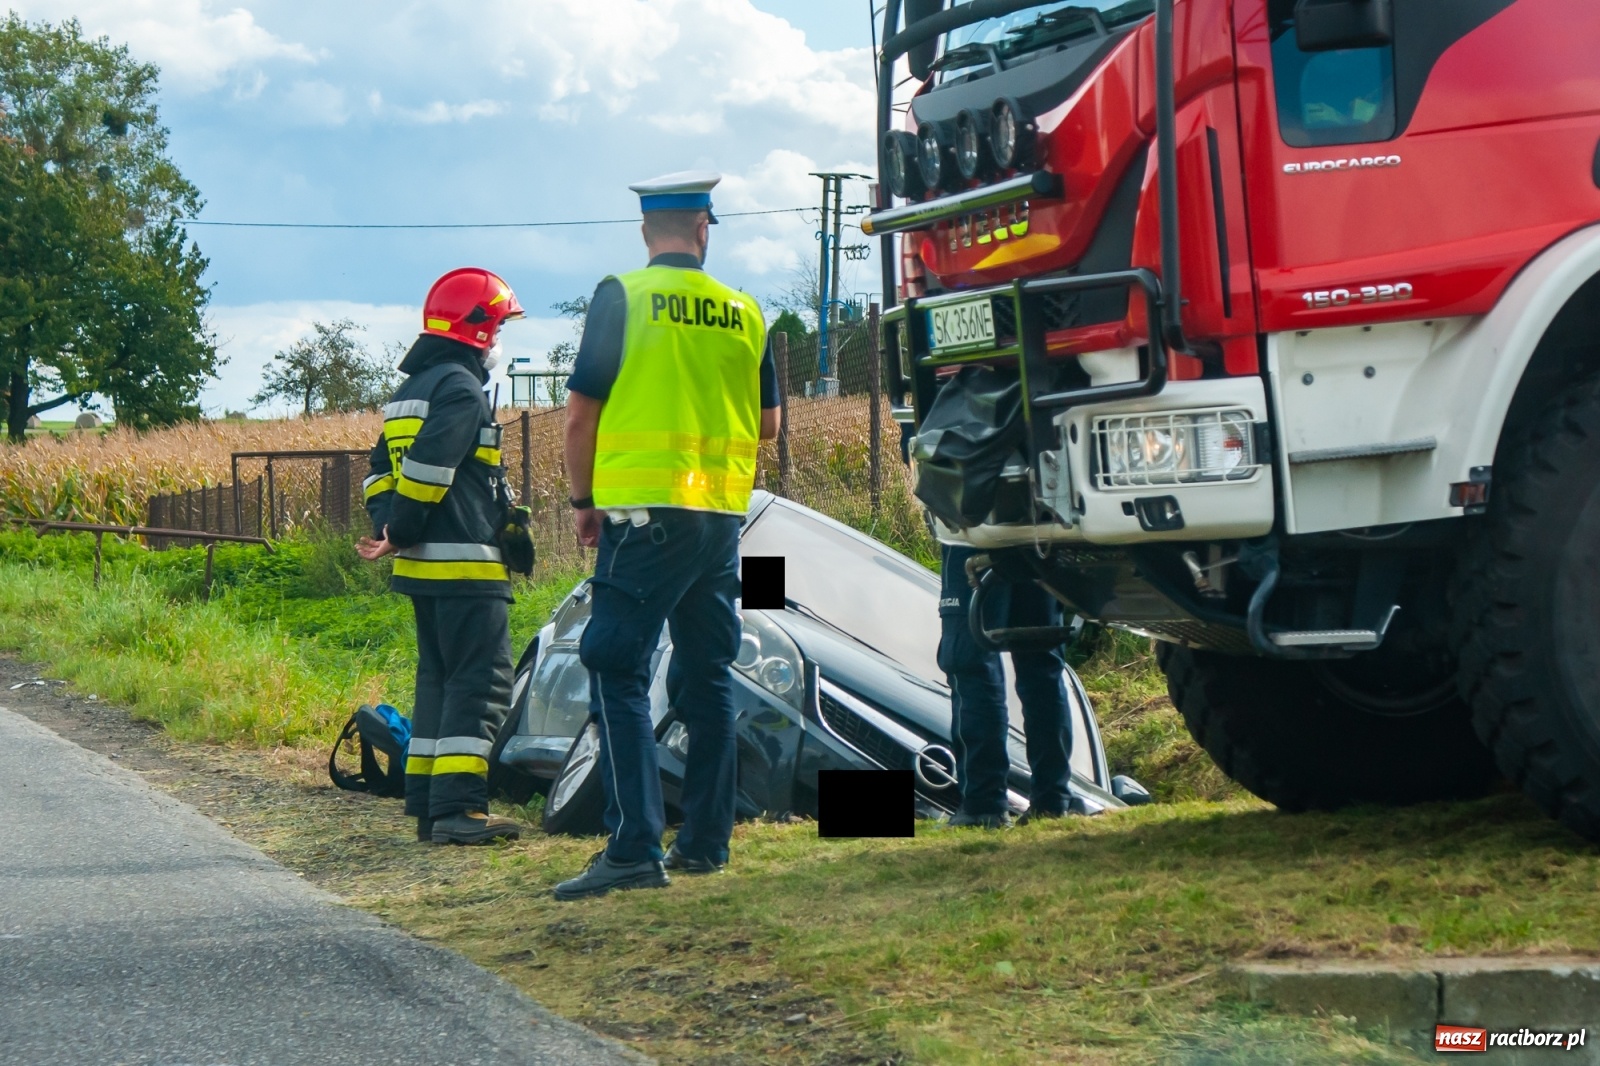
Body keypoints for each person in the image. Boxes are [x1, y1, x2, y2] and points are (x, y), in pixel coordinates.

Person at [553, 171, 781, 901]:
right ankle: (707, 844)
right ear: (704, 229)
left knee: (615, 664)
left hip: (643, 516)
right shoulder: (745, 311)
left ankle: (632, 849)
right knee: (707, 671)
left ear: (648, 233)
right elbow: (770, 425)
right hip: (718, 520)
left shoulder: (623, 296)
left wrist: (583, 501)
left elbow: (580, 414)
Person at [357, 267, 525, 846]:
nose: (501, 340)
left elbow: (379, 471)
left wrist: (388, 526)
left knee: (438, 682)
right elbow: (431, 470)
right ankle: (460, 812)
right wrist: (398, 530)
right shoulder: (460, 387)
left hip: (424, 571)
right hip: (464, 566)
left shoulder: (412, 390)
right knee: (481, 684)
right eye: (499, 326)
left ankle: (428, 806)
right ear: (476, 328)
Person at [936, 548, 1075, 829]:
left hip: (975, 529)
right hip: (1043, 535)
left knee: (970, 661)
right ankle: (1052, 802)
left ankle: (982, 807)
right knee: (1042, 663)